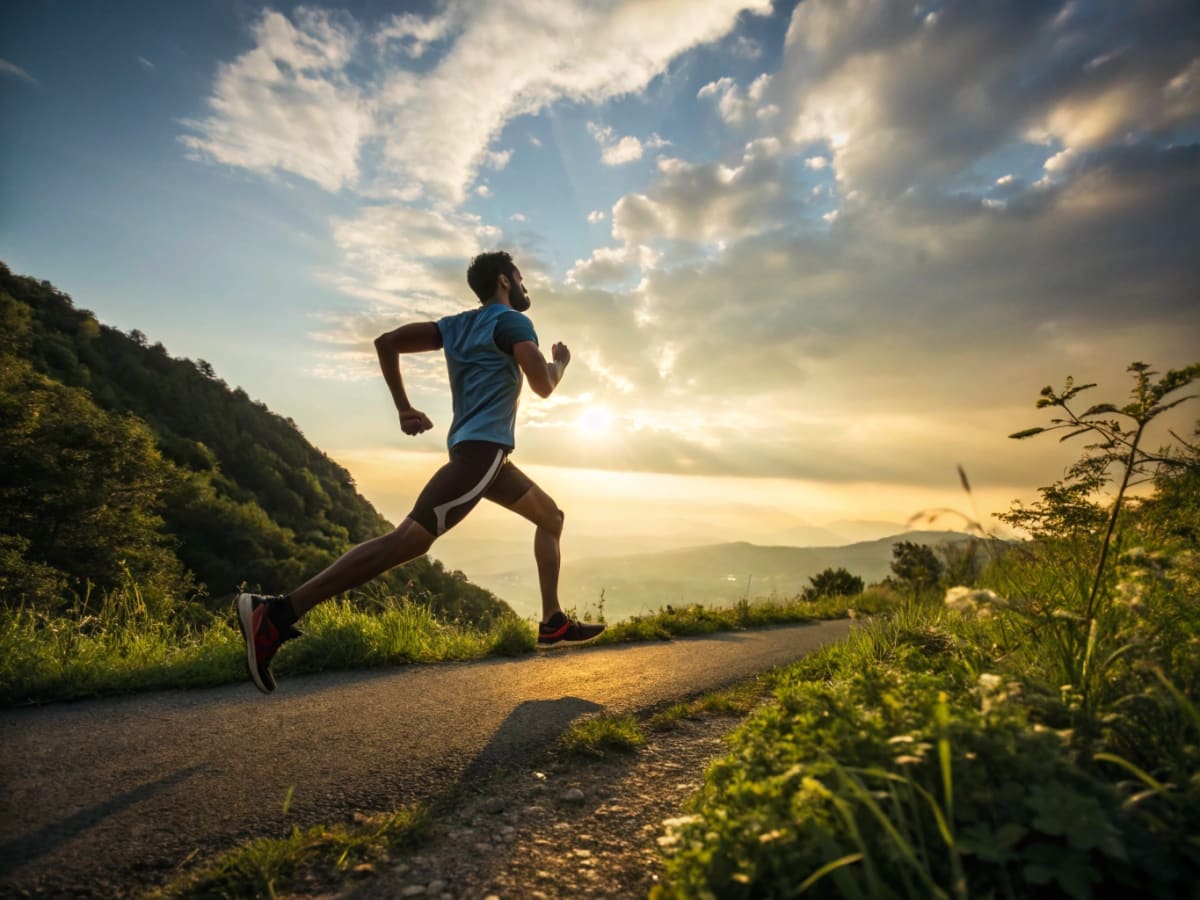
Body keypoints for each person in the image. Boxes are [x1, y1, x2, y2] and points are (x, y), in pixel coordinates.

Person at [235, 251, 604, 693]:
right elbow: (544, 384)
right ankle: (275, 614)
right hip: (482, 454)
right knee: (406, 542)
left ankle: (552, 622)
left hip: (480, 455)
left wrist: (404, 409)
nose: (526, 287)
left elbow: (386, 342)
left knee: (551, 517)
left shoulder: (454, 326)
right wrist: (561, 362)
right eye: (521, 279)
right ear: (505, 281)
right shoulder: (513, 323)